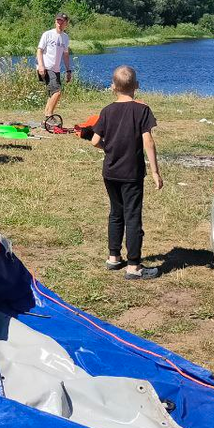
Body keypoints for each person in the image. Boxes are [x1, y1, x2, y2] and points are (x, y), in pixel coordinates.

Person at [91, 65, 163, 279]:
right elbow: (148, 142)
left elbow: (95, 141)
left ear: (113, 87)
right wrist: (155, 171)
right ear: (137, 86)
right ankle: (134, 266)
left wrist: (108, 147)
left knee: (115, 213)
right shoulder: (142, 110)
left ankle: (113, 257)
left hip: (110, 171)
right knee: (132, 216)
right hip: (131, 172)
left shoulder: (106, 111)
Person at [36, 13, 72, 117]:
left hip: (56, 69)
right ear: (55, 22)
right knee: (57, 92)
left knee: (52, 94)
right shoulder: (47, 34)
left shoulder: (65, 37)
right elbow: (39, 51)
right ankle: (49, 116)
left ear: (66, 23)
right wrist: (41, 66)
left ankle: (45, 121)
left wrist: (68, 70)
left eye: (62, 22)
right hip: (46, 67)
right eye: (58, 21)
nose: (60, 24)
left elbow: (65, 54)